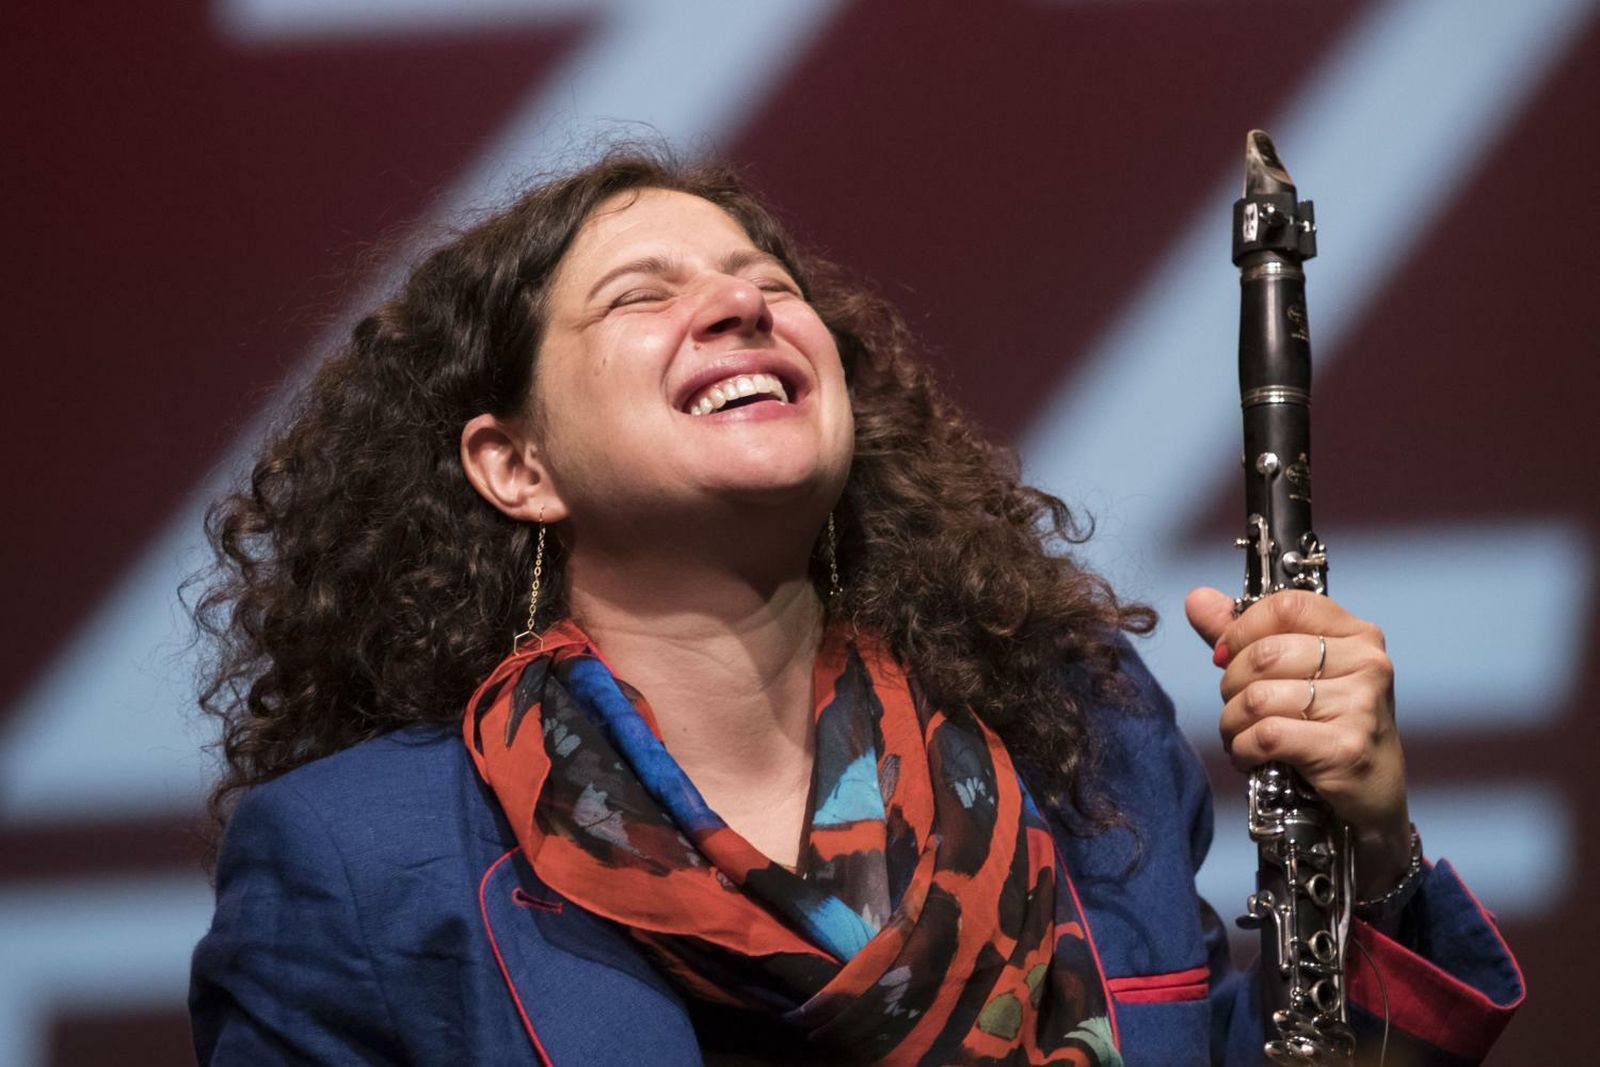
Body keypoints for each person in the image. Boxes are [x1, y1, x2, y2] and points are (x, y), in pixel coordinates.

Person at [188, 150, 1522, 1065]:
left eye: (772, 286)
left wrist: (1375, 848)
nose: (742, 304)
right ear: (515, 466)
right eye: (643, 296)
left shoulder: (1079, 734)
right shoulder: (362, 861)